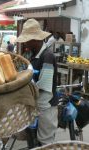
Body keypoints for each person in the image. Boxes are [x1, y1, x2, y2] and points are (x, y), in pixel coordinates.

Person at [16, 19, 58, 148]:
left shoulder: (48, 56)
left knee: (45, 141)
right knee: (33, 139)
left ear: (35, 40)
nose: (26, 43)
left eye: (28, 40)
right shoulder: (32, 55)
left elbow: (44, 87)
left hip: (46, 106)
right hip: (35, 105)